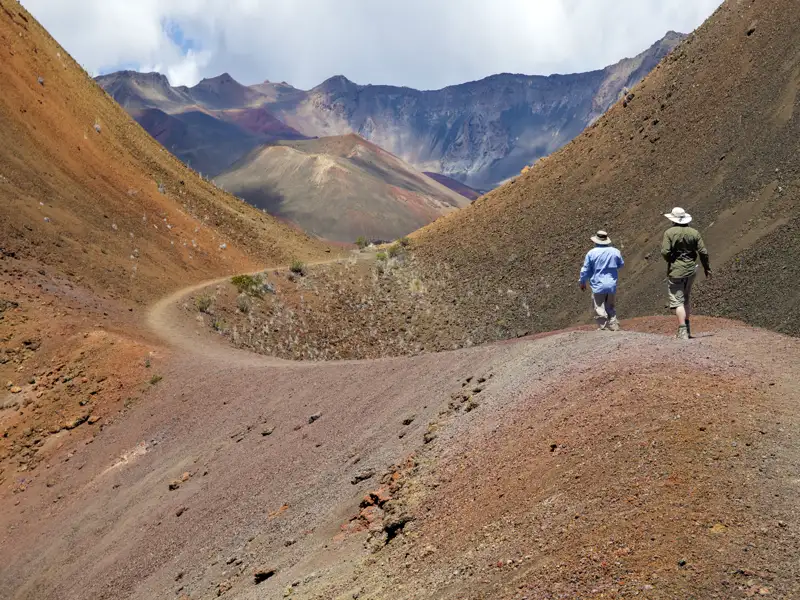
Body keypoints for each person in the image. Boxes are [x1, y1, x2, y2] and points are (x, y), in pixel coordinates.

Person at [661, 207, 712, 340]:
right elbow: (703, 252)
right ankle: (687, 329)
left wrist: (672, 260)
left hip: (676, 271)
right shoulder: (694, 233)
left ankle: (682, 330)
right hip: (691, 270)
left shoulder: (669, 233)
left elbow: (665, 252)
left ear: (673, 220)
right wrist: (707, 268)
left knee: (678, 301)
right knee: (686, 299)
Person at [579, 230, 624, 331]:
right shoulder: (615, 252)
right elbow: (621, 264)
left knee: (599, 307)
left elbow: (585, 269)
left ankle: (603, 328)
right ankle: (614, 326)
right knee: (610, 306)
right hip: (611, 283)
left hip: (598, 284)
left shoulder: (591, 253)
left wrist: (582, 281)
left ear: (596, 241)